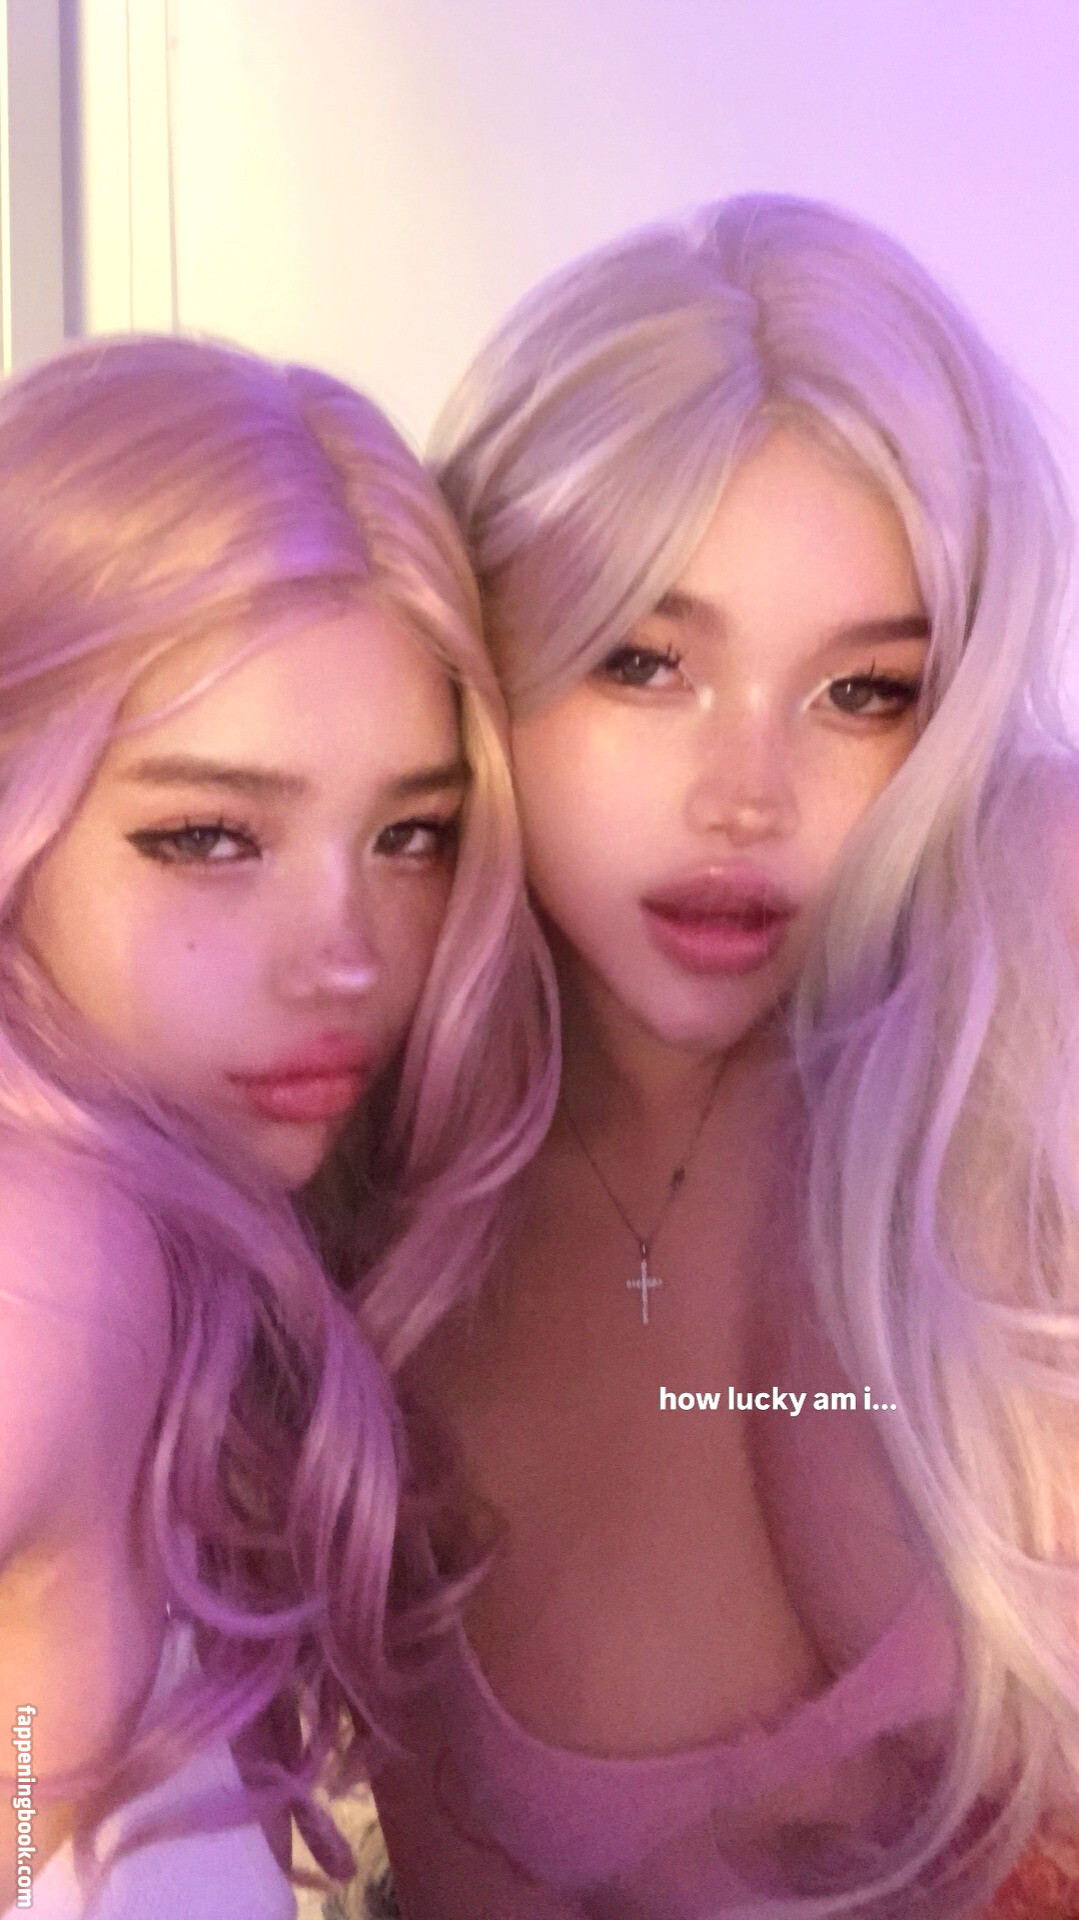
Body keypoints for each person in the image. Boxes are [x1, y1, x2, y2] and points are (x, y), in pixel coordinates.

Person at [367, 196, 1079, 1916]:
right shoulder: (365, 1202)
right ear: (480, 653)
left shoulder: (1029, 972)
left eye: (863, 693)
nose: (745, 795)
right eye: (644, 662)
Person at [0, 334, 553, 1919]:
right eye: (209, 837)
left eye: (412, 835)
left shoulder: (174, 1258)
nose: (349, 957)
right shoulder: (52, 1258)